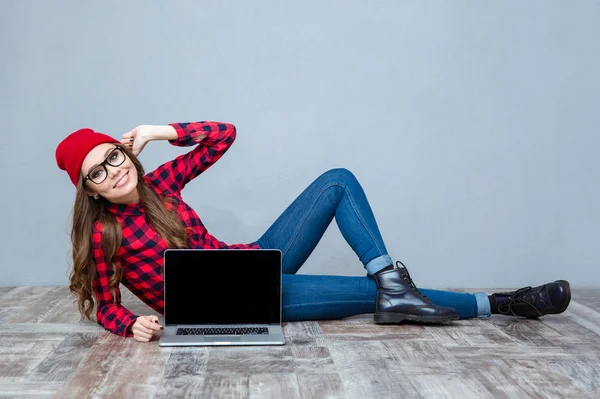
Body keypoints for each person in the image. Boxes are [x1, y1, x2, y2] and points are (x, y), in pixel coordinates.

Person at [55, 121, 571, 342]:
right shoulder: (105, 237)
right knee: (368, 296)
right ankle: (504, 303)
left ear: (127, 152)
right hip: (223, 306)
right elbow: (107, 305)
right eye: (96, 173)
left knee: (337, 182)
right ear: (91, 191)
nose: (114, 171)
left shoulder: (161, 183)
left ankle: (393, 282)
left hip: (251, 261)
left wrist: (159, 132)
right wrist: (131, 326)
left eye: (114, 156)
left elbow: (223, 137)